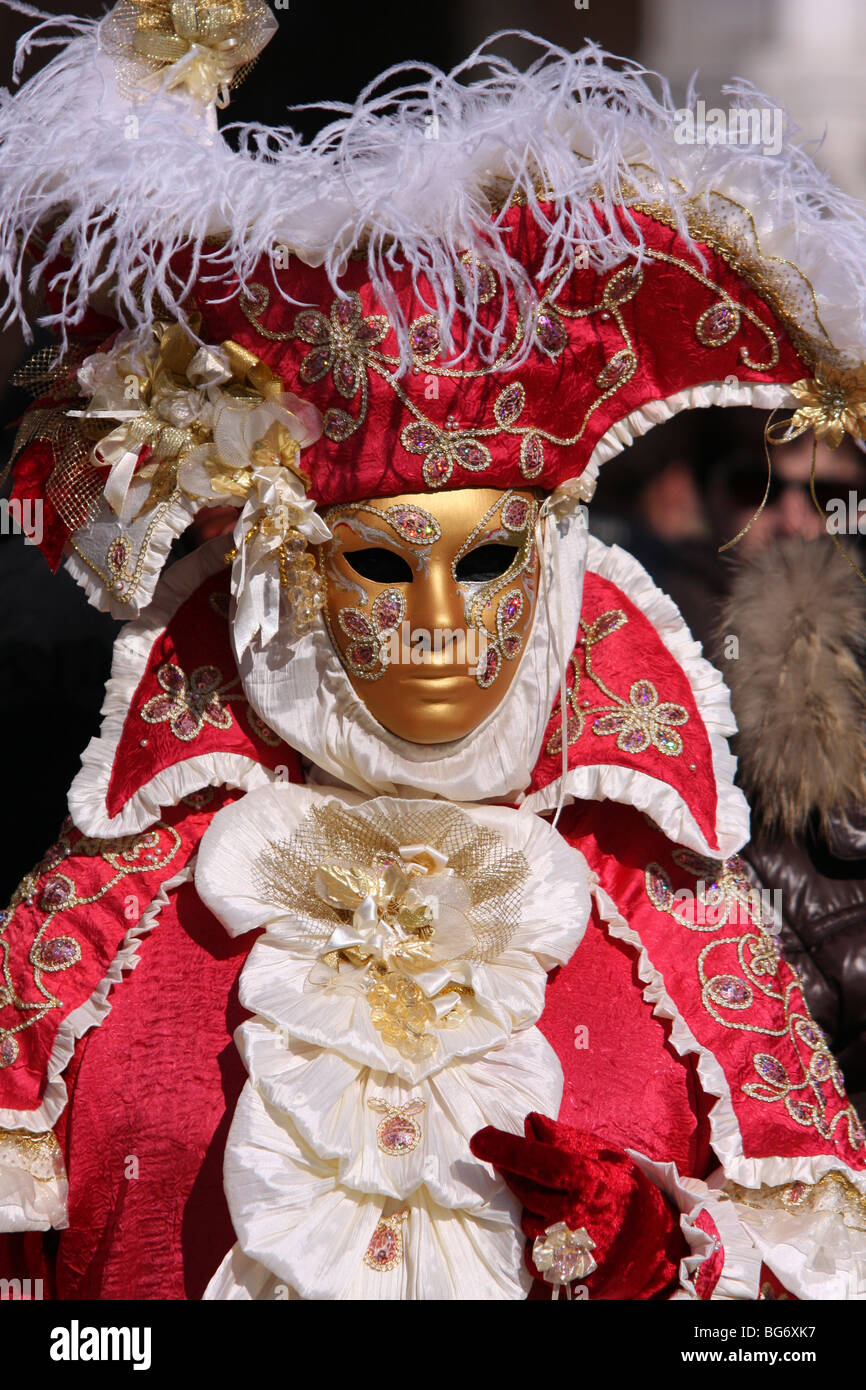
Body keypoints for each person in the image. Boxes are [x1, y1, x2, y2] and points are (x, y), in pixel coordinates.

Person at [0, 1, 865, 1301]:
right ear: (292, 559)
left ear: (554, 559)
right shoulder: (113, 903)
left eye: (484, 563)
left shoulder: (671, 902)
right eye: (381, 563)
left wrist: (653, 1250)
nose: (441, 628)